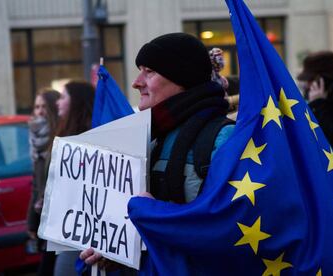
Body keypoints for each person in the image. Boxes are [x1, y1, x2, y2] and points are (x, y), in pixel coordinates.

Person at [80, 32, 235, 271]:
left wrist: (152, 213)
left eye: (149, 71)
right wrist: (113, 251)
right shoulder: (150, 137)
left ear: (181, 78)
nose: (136, 82)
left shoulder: (224, 138)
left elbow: (227, 225)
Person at [52, 80, 95, 276]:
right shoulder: (64, 136)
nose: (57, 102)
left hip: (81, 234)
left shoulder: (90, 138)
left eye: (62, 97)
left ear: (76, 102)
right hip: (66, 229)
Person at [297, 50, 333, 186]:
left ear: (321, 79)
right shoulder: (328, 94)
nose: (307, 85)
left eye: (310, 80)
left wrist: (319, 103)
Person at [27, 88, 60, 276]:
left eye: (44, 107)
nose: (39, 111)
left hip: (58, 224)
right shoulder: (36, 140)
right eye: (36, 107)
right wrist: (31, 222)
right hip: (44, 221)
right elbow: (36, 186)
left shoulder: (60, 139)